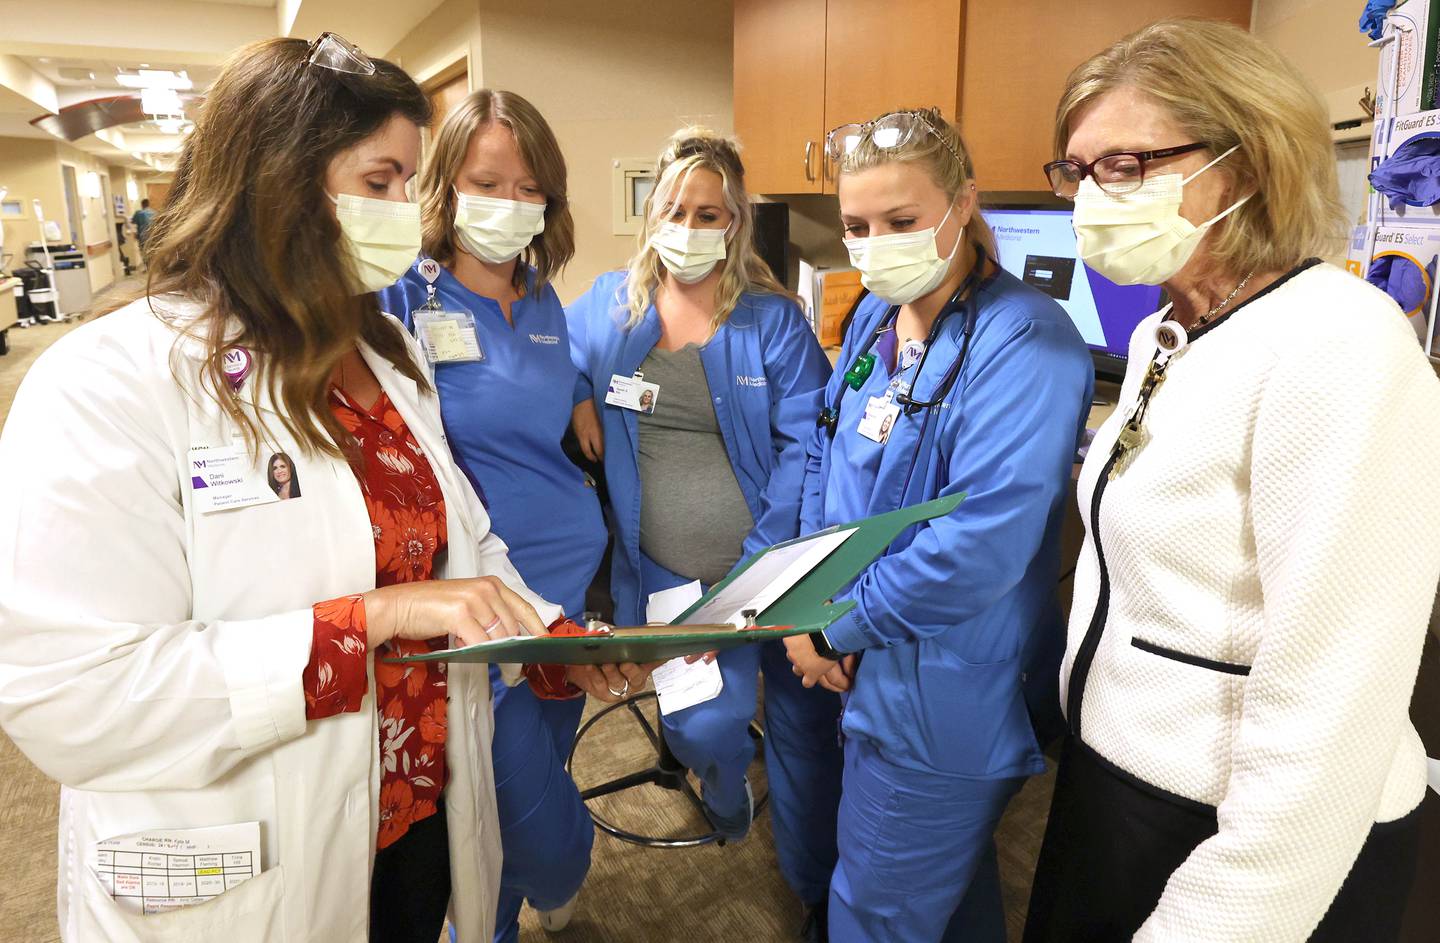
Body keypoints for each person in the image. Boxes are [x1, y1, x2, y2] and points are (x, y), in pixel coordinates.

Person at [0, 35, 649, 943]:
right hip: (256, 866)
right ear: (279, 176)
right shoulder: (110, 382)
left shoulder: (387, 360)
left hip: (413, 822)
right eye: (379, 182)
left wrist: (549, 634)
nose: (402, 210)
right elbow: (72, 695)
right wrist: (378, 619)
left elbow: (468, 544)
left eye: (405, 183)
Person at [1023, 20, 1440, 943]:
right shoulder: (1163, 333)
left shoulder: (1342, 345)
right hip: (1120, 781)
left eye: (1125, 164)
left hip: (1251, 834)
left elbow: (1332, 707)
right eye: (1078, 170)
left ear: (1246, 164)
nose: (1092, 197)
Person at [784, 106, 1092, 942]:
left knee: (875, 913)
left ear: (963, 203)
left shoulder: (1026, 342)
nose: (874, 242)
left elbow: (979, 546)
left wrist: (838, 625)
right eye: (856, 225)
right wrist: (812, 600)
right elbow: (822, 450)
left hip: (941, 693)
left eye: (901, 220)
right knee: (944, 897)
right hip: (864, 661)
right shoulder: (874, 327)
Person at [567, 128, 837, 936]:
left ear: (735, 222)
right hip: (668, 577)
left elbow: (807, 444)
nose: (690, 224)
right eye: (676, 208)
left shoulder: (771, 321)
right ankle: (728, 806)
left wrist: (755, 573)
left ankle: (813, 887)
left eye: (709, 211)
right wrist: (581, 394)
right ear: (652, 212)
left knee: (806, 736)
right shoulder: (609, 306)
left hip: (770, 571)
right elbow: (553, 358)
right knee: (704, 725)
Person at [376, 88, 606, 941]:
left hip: (565, 597)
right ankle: (560, 874)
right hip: (474, 608)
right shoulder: (404, 299)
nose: (510, 204)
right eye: (488, 181)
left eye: (529, 187)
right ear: (446, 186)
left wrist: (583, 392)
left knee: (516, 803)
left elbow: (549, 379)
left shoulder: (545, 300)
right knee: (532, 825)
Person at [131, 197, 155, 262]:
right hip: (153, 235)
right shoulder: (154, 213)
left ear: (142, 205)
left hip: (143, 236)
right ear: (148, 204)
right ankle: (152, 266)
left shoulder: (139, 213)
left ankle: (147, 266)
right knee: (152, 251)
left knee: (144, 253)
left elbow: (132, 222)